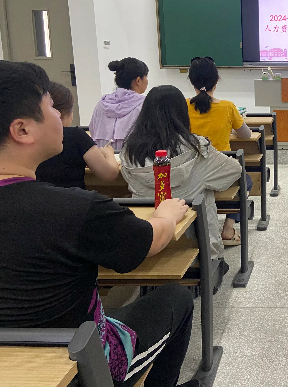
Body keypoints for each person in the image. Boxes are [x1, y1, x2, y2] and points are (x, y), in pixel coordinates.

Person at [0, 61, 198, 387]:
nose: (59, 115)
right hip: (80, 367)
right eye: (51, 106)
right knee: (177, 298)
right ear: (22, 130)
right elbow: (148, 241)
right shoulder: (78, 210)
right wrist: (166, 214)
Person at [121, 85, 242, 260]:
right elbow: (234, 170)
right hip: (198, 249)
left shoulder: (129, 152)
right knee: (204, 191)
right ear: (182, 114)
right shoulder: (196, 148)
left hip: (147, 244)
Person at [187, 56, 252, 244]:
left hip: (190, 171)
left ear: (192, 82)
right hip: (221, 172)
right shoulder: (227, 107)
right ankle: (228, 227)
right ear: (216, 81)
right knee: (246, 181)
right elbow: (246, 135)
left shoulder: (183, 105)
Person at [36, 82, 120, 189]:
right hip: (72, 197)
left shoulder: (29, 137)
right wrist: (109, 154)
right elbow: (109, 174)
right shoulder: (76, 136)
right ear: (63, 113)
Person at [89, 57, 149, 150]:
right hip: (132, 157)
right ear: (138, 80)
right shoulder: (145, 105)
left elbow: (93, 131)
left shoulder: (102, 104)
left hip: (102, 156)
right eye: (146, 77)